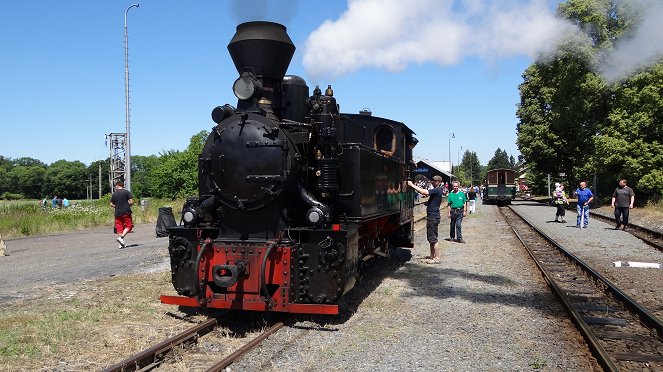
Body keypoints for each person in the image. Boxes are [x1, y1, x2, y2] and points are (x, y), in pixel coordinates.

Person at [407, 175, 444, 263]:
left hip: (433, 217)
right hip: (432, 216)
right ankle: (432, 256)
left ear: (439, 182)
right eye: (432, 181)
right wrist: (429, 203)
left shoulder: (437, 189)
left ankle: (437, 258)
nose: (432, 182)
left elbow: (424, 192)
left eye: (434, 181)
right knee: (431, 238)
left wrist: (412, 185)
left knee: (434, 238)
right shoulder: (437, 190)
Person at [110, 181, 134, 248]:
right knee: (129, 226)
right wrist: (128, 205)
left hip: (117, 212)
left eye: (115, 186)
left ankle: (121, 244)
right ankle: (121, 238)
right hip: (126, 212)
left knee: (119, 228)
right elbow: (131, 201)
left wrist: (117, 206)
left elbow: (111, 204)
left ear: (117, 186)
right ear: (122, 185)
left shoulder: (114, 194)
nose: (115, 188)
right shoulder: (126, 192)